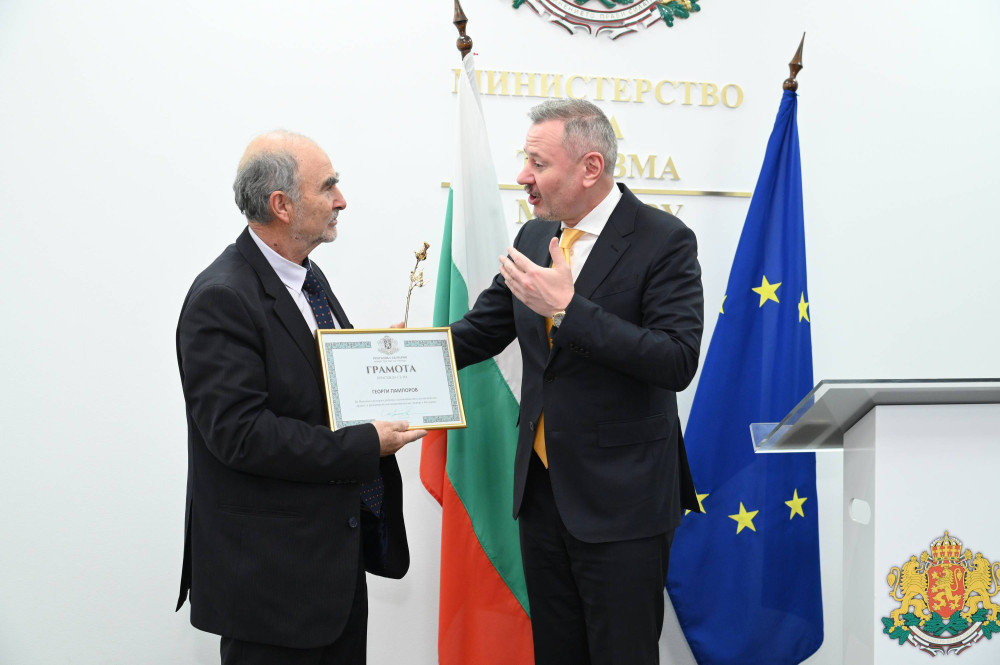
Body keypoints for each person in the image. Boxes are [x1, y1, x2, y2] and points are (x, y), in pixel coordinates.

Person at [449, 100, 704, 665]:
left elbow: (675, 359)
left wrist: (568, 310)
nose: (523, 176)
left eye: (537, 163)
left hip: (624, 502)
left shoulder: (664, 239)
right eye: (525, 160)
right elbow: (480, 331)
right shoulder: (534, 236)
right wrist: (395, 357)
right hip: (543, 495)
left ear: (591, 167)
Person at [175, 130, 426, 664]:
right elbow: (242, 436)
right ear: (281, 205)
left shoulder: (307, 279)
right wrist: (367, 444)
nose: (341, 200)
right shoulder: (222, 296)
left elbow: (315, 387)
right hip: (272, 589)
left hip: (329, 573)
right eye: (328, 186)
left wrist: (383, 366)